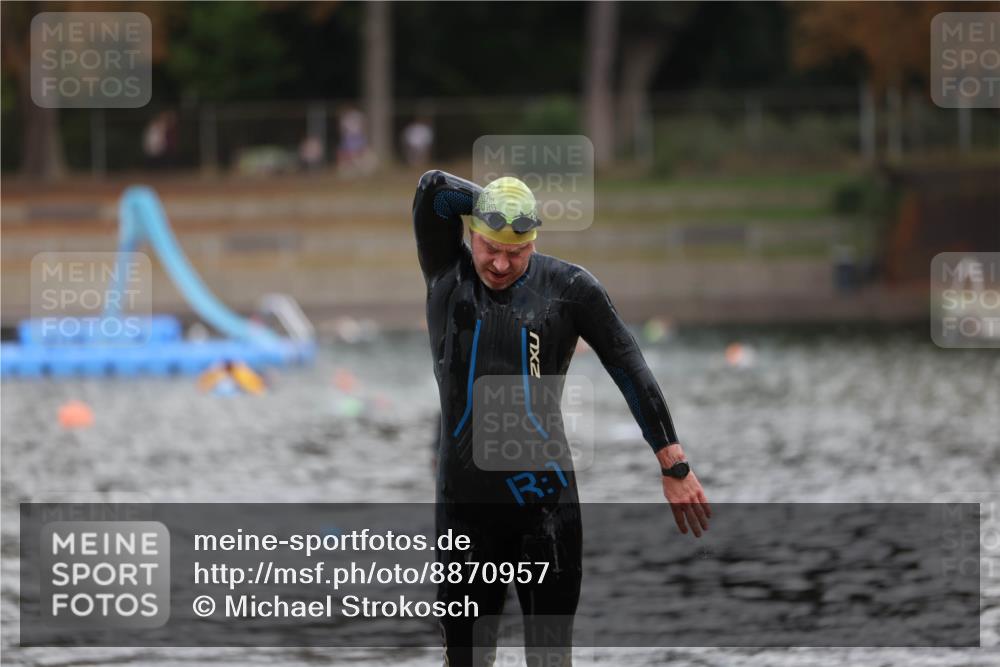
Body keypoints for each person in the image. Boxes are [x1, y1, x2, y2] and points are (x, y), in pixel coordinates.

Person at [412, 171, 711, 666]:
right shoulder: (449, 276)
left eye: (517, 250)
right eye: (490, 247)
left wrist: (673, 463)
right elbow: (431, 189)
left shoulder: (570, 289)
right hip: (465, 512)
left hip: (546, 510)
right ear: (471, 232)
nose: (501, 263)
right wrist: (493, 200)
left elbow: (628, 365)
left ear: (535, 241)